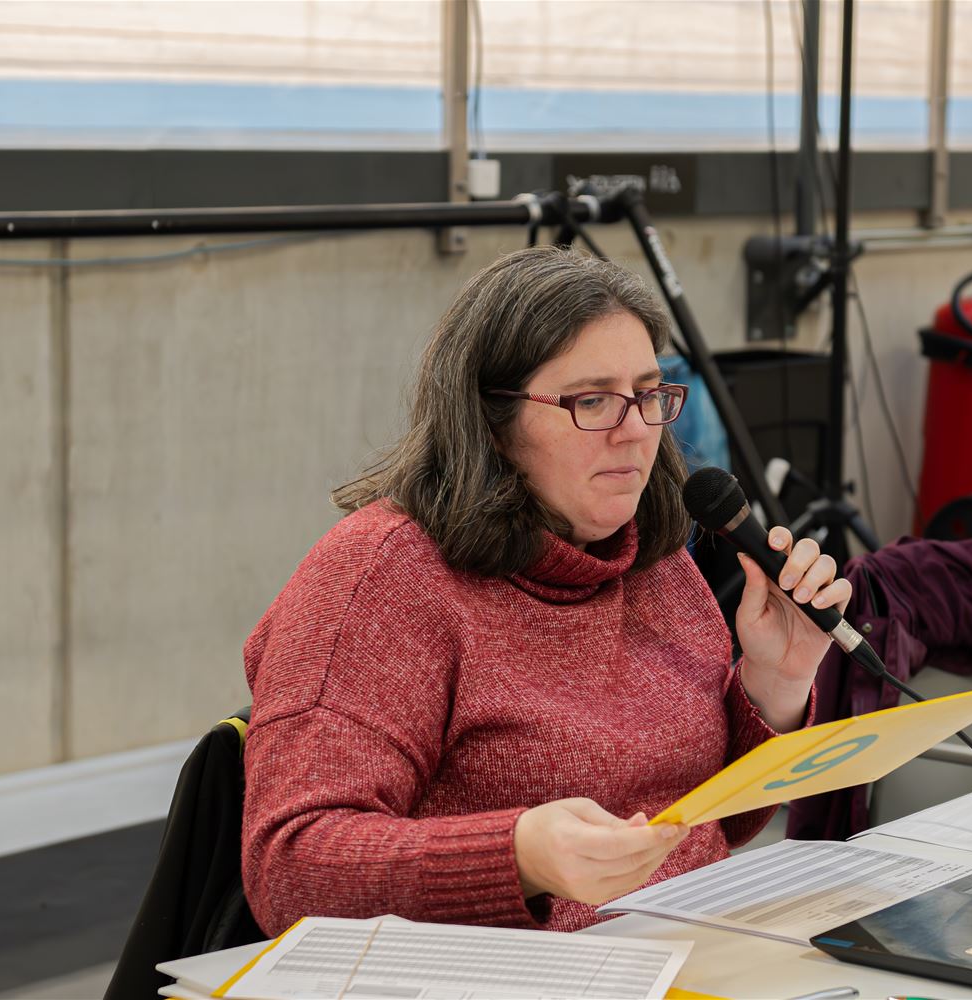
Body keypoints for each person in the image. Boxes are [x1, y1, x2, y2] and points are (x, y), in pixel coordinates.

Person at [240, 247, 850, 935]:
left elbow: (715, 824)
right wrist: (518, 857)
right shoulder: (382, 577)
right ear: (492, 423)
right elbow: (289, 869)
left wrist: (774, 683)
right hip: (514, 968)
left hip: (691, 941)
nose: (635, 432)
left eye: (649, 395)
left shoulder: (649, 558)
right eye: (593, 401)